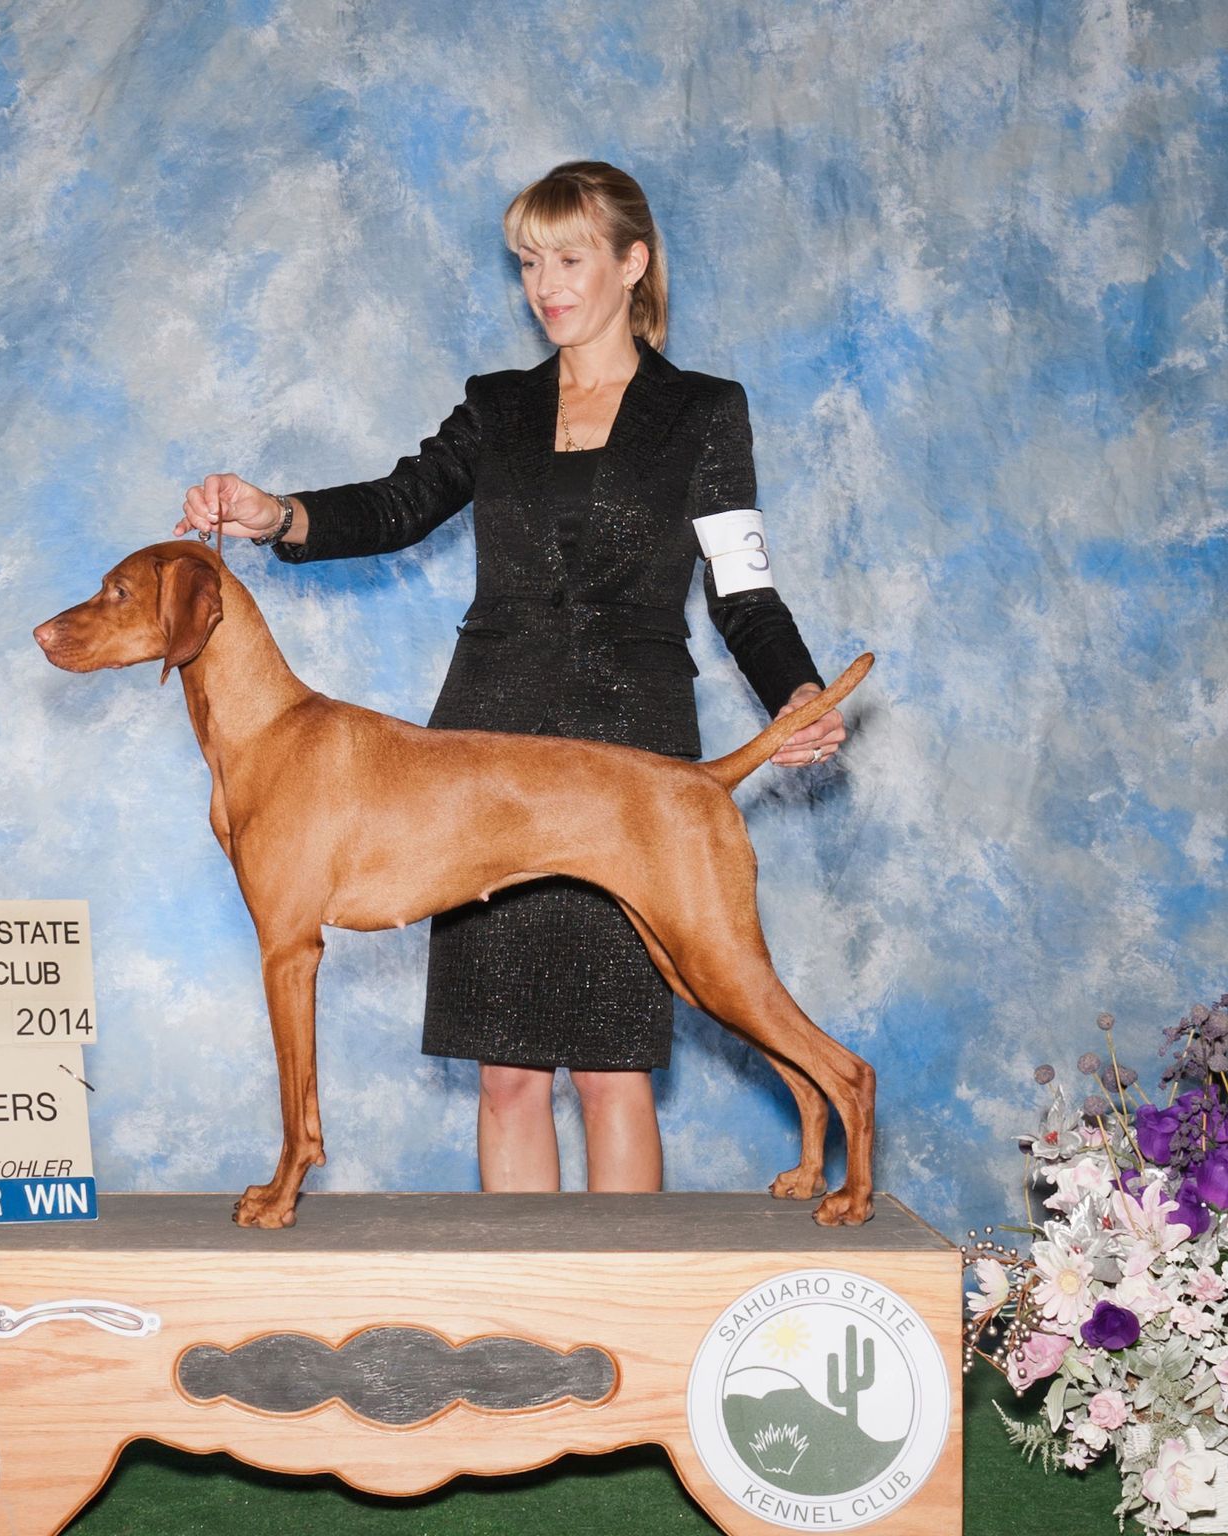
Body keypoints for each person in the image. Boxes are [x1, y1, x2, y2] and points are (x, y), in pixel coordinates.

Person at [177, 160, 844, 1202]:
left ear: (634, 262)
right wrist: (278, 514)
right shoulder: (496, 406)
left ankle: (626, 1322)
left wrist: (796, 693)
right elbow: (398, 506)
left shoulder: (705, 413)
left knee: (615, 1075)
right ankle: (524, 1331)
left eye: (569, 257)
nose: (546, 283)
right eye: (529, 261)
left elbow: (743, 592)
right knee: (507, 1079)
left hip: (630, 753)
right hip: (479, 759)